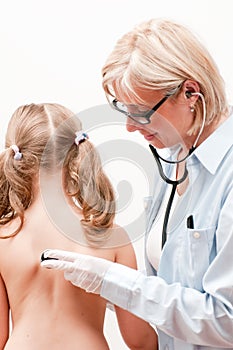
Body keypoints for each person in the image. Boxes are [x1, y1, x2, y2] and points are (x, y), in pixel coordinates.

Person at [41, 18, 233, 349]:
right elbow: (169, 285)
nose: (131, 127)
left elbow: (225, 320)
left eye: (142, 112)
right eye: (123, 110)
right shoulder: (174, 158)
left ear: (190, 92)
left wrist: (115, 282)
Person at [0, 102, 158, 349]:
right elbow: (140, 340)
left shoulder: (3, 239)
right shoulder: (111, 236)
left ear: (17, 155)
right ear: (74, 151)